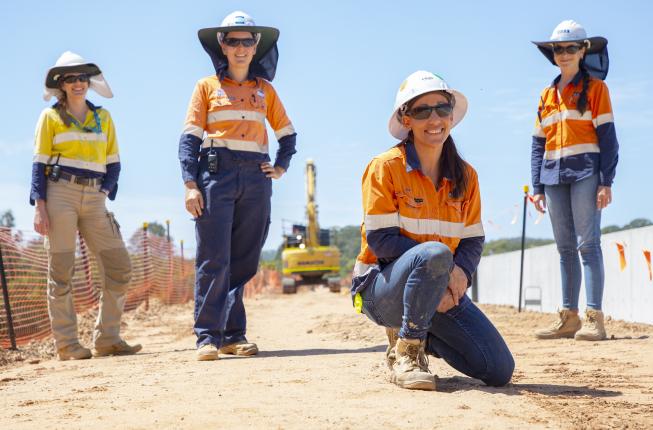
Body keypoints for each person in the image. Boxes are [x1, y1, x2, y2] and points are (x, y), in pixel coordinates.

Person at [351, 71, 514, 391]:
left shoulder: (466, 176)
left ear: (452, 115)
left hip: (434, 288)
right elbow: (381, 242)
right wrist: (438, 268)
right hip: (378, 291)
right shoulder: (385, 167)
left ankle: (421, 335)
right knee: (435, 253)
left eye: (441, 108)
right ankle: (408, 351)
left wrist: (462, 273)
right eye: (422, 111)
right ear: (406, 118)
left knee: (498, 369)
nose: (434, 118)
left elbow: (472, 238)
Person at [178, 11, 297, 361]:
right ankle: (206, 338)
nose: (241, 47)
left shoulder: (266, 91)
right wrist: (190, 184)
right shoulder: (206, 88)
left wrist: (280, 167)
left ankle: (233, 335)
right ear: (223, 45)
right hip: (216, 175)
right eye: (234, 41)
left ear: (256, 45)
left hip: (256, 179)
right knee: (214, 258)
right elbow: (188, 139)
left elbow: (288, 136)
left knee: (244, 260)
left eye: (247, 41)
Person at [32, 51, 141, 360]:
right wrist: (40, 207)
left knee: (119, 267)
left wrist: (102, 192)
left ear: (89, 82)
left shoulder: (103, 118)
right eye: (71, 78)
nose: (78, 83)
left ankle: (108, 339)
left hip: (94, 198)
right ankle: (67, 344)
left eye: (82, 77)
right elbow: (38, 165)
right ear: (61, 84)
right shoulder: (49, 118)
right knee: (62, 272)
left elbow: (114, 164)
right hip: (59, 196)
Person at [531, 20, 618, 341]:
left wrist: (606, 180)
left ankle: (595, 318)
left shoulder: (597, 90)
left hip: (586, 173)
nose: (563, 54)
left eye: (570, 48)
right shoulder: (545, 95)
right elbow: (538, 144)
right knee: (565, 248)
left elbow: (608, 139)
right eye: (558, 49)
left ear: (583, 51)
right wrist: (537, 186)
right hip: (552, 177)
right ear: (552, 54)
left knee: (588, 245)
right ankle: (569, 318)